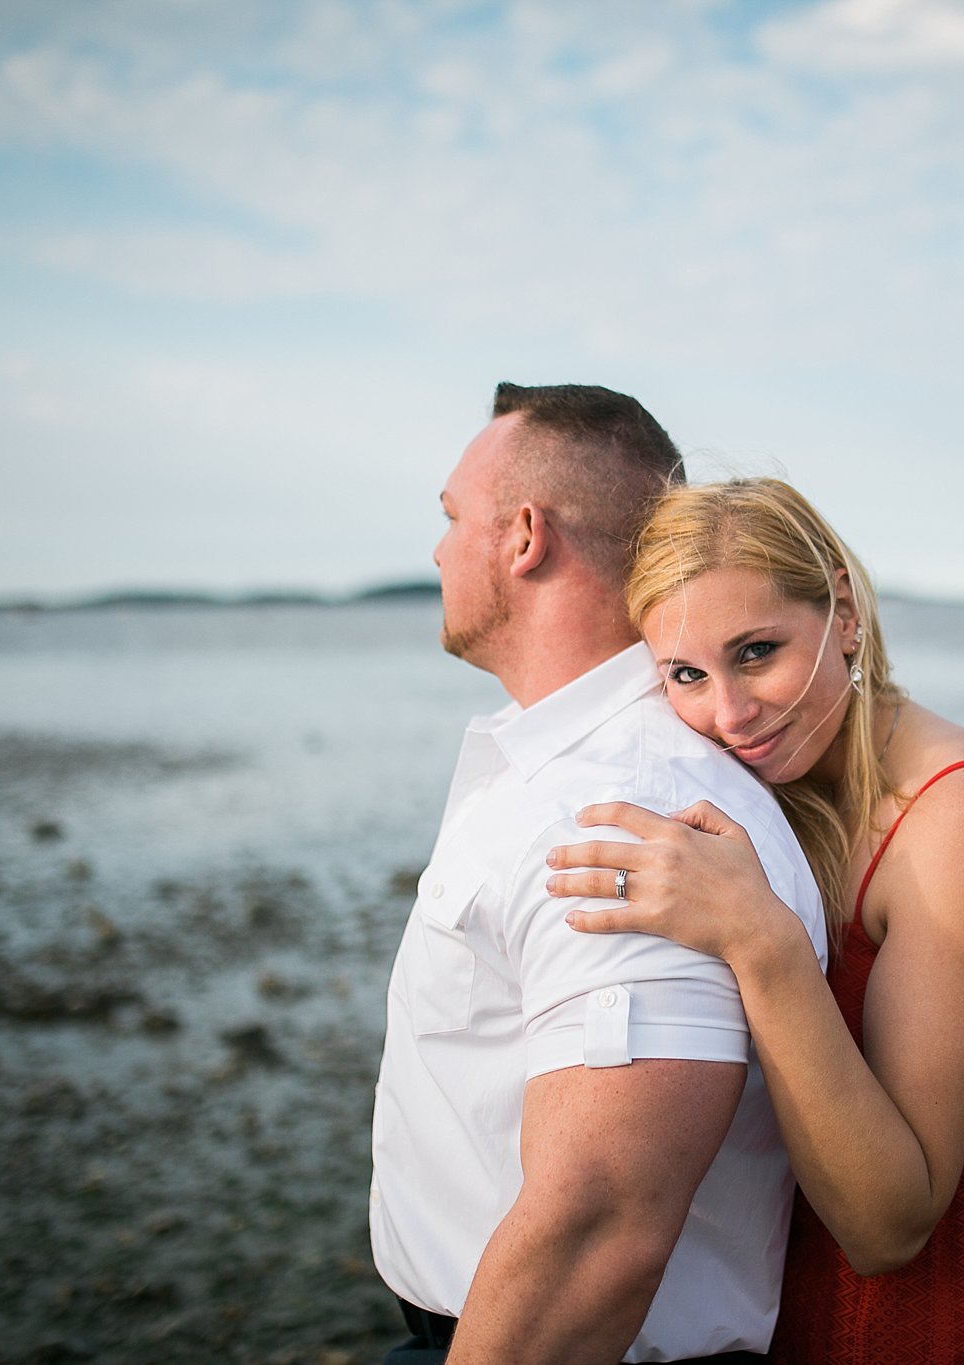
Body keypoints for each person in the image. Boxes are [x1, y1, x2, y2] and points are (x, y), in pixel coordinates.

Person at [545, 478, 964, 1365]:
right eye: (687, 674)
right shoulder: (788, 803)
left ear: (845, 612)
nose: (731, 713)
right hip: (796, 1297)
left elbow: (890, 1224)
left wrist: (757, 938)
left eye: (757, 650)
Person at [370, 389, 827, 1365]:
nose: (440, 551)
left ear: (524, 536)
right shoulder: (575, 773)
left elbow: (602, 1227)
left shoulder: (623, 805)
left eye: (453, 518)